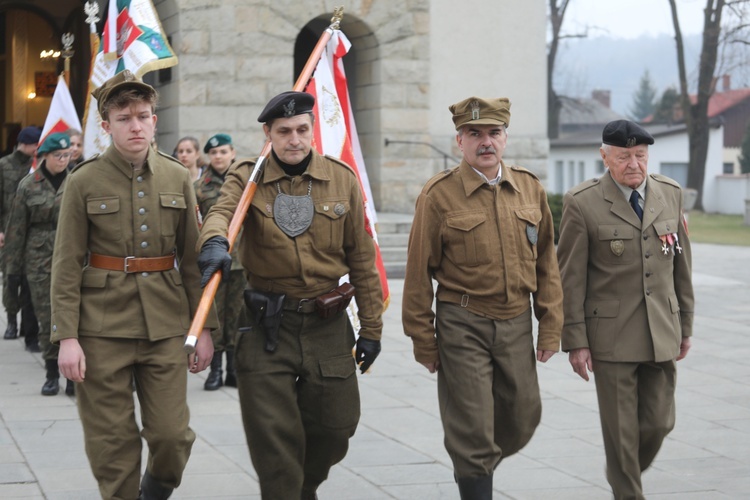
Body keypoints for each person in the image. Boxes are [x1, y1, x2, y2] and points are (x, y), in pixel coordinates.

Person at [196, 91, 384, 499]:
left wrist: (372, 328)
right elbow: (221, 213)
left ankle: (304, 488)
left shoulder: (341, 178)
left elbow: (363, 260)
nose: (294, 139)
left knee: (337, 429)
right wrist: (213, 241)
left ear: (312, 130)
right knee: (274, 445)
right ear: (269, 133)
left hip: (326, 324)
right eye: (284, 131)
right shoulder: (248, 176)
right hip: (267, 328)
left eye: (302, 129)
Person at [50, 70, 217, 500]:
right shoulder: (83, 180)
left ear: (155, 120)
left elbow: (195, 261)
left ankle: (157, 487)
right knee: (112, 442)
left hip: (165, 326)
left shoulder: (178, 176)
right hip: (101, 329)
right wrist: (67, 337)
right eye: (124, 118)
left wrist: (204, 330)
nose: (136, 125)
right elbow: (66, 263)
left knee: (171, 436)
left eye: (143, 115)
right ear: (106, 126)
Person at [402, 97, 563, 499]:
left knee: (524, 416)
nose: (485, 142)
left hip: (515, 323)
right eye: (475, 134)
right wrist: (424, 339)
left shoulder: (529, 188)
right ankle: (473, 471)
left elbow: (547, 262)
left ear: (506, 138)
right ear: (460, 141)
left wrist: (550, 327)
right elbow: (418, 273)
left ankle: (473, 463)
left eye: (493, 133)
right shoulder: (438, 196)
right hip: (463, 324)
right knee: (472, 428)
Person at [556, 119, 694, 500]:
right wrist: (576, 341)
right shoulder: (581, 203)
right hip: (611, 339)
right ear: (605, 157)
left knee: (659, 422)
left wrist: (686, 324)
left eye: (640, 155)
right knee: (620, 432)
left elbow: (682, 266)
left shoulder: (670, 193)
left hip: (662, 329)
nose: (634, 163)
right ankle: (626, 486)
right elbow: (569, 279)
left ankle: (621, 468)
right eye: (623, 156)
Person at [4, 133, 73, 396]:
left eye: (67, 156)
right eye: (58, 156)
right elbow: (16, 229)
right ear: (44, 156)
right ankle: (52, 373)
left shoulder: (76, 180)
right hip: (39, 259)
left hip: (72, 255)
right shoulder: (28, 185)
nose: (63, 160)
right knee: (48, 318)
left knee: (73, 317)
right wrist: (13, 269)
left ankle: (73, 377)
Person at [194, 133, 244, 390]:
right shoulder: (200, 186)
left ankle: (233, 370)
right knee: (216, 317)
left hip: (242, 262)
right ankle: (215, 370)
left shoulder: (247, 182)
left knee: (237, 316)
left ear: (233, 152)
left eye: (223, 152)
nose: (219, 157)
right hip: (215, 263)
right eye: (214, 153)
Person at [0, 125, 41, 350]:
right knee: (11, 278)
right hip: (9, 231)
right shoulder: (4, 165)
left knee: (29, 279)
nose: (37, 149)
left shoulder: (38, 166)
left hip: (32, 232)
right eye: (35, 145)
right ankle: (12, 321)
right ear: (24, 144)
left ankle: (28, 323)